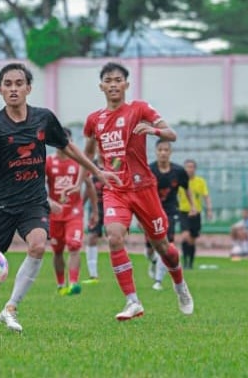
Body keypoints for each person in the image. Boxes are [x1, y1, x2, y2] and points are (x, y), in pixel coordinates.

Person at [0, 62, 120, 334]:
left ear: (28, 88)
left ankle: (11, 308)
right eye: (8, 84)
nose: (13, 89)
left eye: (19, 84)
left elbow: (67, 146)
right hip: (1, 205)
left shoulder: (43, 119)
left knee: (38, 246)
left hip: (33, 202)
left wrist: (96, 170)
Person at [80, 61, 194, 321]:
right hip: (115, 190)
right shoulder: (94, 120)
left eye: (118, 80)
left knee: (163, 246)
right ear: (101, 86)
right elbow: (87, 153)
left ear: (126, 85)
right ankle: (132, 301)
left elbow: (171, 133)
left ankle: (179, 285)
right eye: (108, 80)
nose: (113, 85)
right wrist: (82, 180)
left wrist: (152, 130)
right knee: (114, 236)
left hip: (143, 189)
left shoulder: (139, 109)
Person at [45, 127, 99, 296]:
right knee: (58, 251)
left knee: (74, 246)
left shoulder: (78, 162)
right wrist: (48, 202)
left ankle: (74, 283)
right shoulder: (48, 162)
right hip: (55, 214)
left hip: (74, 213)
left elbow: (89, 185)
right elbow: (38, 185)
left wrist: (94, 211)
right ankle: (61, 284)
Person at [145, 140, 196, 291]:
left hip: (170, 211)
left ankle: (158, 280)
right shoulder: (149, 170)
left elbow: (187, 190)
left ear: (170, 152)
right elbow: (142, 193)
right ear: (156, 151)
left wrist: (192, 206)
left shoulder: (179, 171)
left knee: (166, 244)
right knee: (150, 248)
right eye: (160, 150)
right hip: (151, 212)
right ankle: (153, 260)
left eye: (166, 150)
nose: (163, 153)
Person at [178, 159, 213, 269]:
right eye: (187, 167)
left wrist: (209, 209)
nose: (189, 169)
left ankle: (190, 263)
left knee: (192, 239)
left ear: (195, 169)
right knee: (185, 236)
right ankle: (184, 261)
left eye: (192, 167)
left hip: (196, 213)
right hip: (184, 212)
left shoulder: (200, 181)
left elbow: (206, 196)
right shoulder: (180, 181)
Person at [81, 157, 106, 285]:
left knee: (116, 237)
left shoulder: (114, 162)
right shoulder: (91, 164)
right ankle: (93, 275)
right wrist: (81, 205)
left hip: (112, 204)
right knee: (91, 237)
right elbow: (88, 186)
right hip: (95, 205)